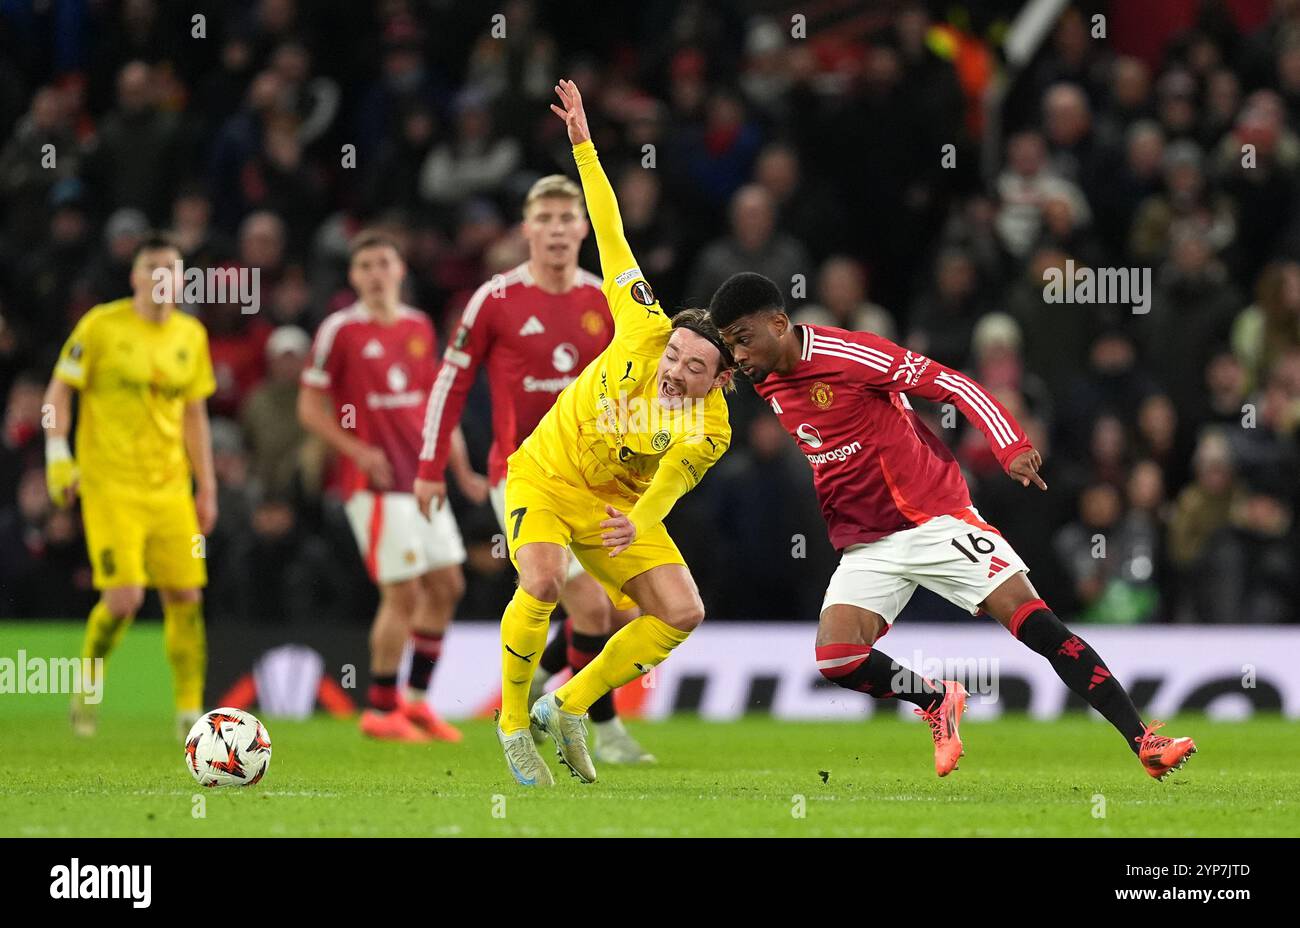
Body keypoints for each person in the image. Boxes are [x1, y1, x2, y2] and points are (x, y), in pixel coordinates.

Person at [710, 271, 1197, 781]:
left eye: (743, 341)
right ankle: (936, 699)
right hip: (867, 543)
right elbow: (696, 345)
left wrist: (1009, 443)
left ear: (780, 323)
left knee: (1036, 625)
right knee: (837, 658)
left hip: (934, 518)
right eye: (730, 346)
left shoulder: (851, 355)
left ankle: (1144, 739)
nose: (737, 356)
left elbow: (953, 382)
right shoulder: (759, 374)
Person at [491, 79, 732, 787]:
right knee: (538, 578)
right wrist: (585, 148)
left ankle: (568, 704)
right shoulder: (641, 321)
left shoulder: (710, 427)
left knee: (682, 612)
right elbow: (609, 229)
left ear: (718, 381)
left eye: (694, 370)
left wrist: (639, 521)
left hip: (617, 508)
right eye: (676, 356)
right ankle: (511, 726)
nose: (674, 372)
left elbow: (670, 483)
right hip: (544, 472)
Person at [414, 173, 653, 765]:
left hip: (593, 476)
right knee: (566, 594)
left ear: (582, 228)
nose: (555, 230)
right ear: (526, 230)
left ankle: (550, 701)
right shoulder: (495, 299)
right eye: (543, 220)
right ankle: (587, 726)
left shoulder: (605, 300)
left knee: (605, 610)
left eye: (566, 219)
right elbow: (452, 378)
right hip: (519, 471)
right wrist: (429, 465)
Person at [298, 231, 467, 743]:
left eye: (383, 263)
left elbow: (433, 402)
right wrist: (356, 450)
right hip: (372, 484)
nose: (375, 273)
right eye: (365, 265)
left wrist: (458, 467)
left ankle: (415, 704)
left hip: (420, 479)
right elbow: (309, 408)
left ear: (400, 270)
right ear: (353, 277)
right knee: (404, 591)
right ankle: (378, 708)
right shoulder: (339, 331)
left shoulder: (418, 326)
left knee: (448, 586)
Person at [44, 233, 216, 738]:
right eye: (153, 268)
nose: (163, 277)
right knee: (124, 601)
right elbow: (59, 388)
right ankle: (88, 683)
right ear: (135, 277)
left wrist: (206, 486)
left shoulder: (191, 336)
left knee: (186, 595)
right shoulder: (101, 325)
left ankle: (190, 711)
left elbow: (195, 415)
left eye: (172, 269)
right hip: (110, 484)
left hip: (169, 488)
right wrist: (58, 456)